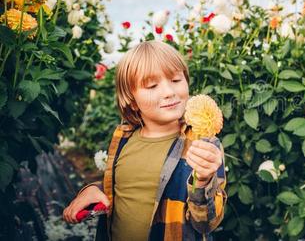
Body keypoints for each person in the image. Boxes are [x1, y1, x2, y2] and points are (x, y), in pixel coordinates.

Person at [63, 41, 227, 240]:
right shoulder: (123, 138)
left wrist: (203, 181)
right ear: (132, 100)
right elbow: (125, 186)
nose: (169, 92)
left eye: (176, 80)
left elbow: (205, 223)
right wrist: (92, 190)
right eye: (152, 85)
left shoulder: (202, 145)